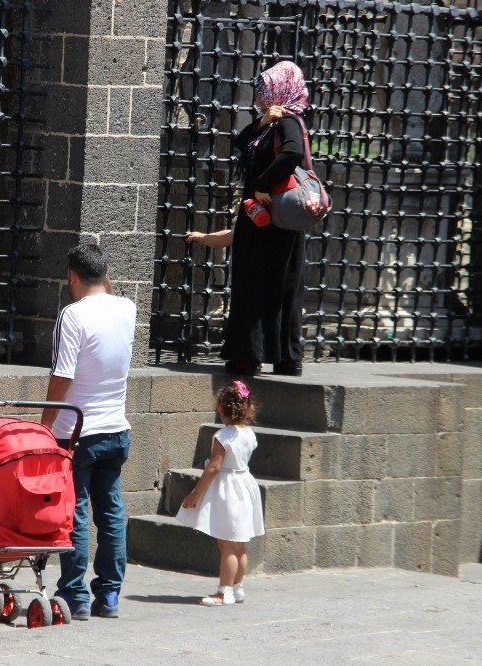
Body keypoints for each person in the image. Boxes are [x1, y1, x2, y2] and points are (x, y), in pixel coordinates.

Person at [41, 242, 137, 620]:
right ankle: (109, 595)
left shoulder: (72, 315)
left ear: (72, 276)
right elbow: (109, 293)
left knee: (75, 514)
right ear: (105, 274)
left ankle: (74, 593)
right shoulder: (127, 309)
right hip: (116, 430)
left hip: (76, 432)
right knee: (111, 513)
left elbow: (62, 376)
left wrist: (44, 426)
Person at [222, 60, 311, 377]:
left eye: (264, 92)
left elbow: (292, 153)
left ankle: (249, 356)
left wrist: (262, 185)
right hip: (272, 222)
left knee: (257, 283)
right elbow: (240, 141)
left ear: (280, 91)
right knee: (277, 286)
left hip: (268, 223)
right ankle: (284, 357)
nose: (259, 97)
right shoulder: (274, 122)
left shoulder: (287, 122)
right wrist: (262, 122)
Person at [176, 379, 265, 606]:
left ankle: (224, 592)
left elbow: (214, 467)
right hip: (245, 485)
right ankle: (237, 587)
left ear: (220, 407)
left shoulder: (223, 436)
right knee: (240, 543)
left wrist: (195, 494)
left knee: (227, 544)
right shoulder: (249, 434)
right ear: (249, 408)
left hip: (228, 489)